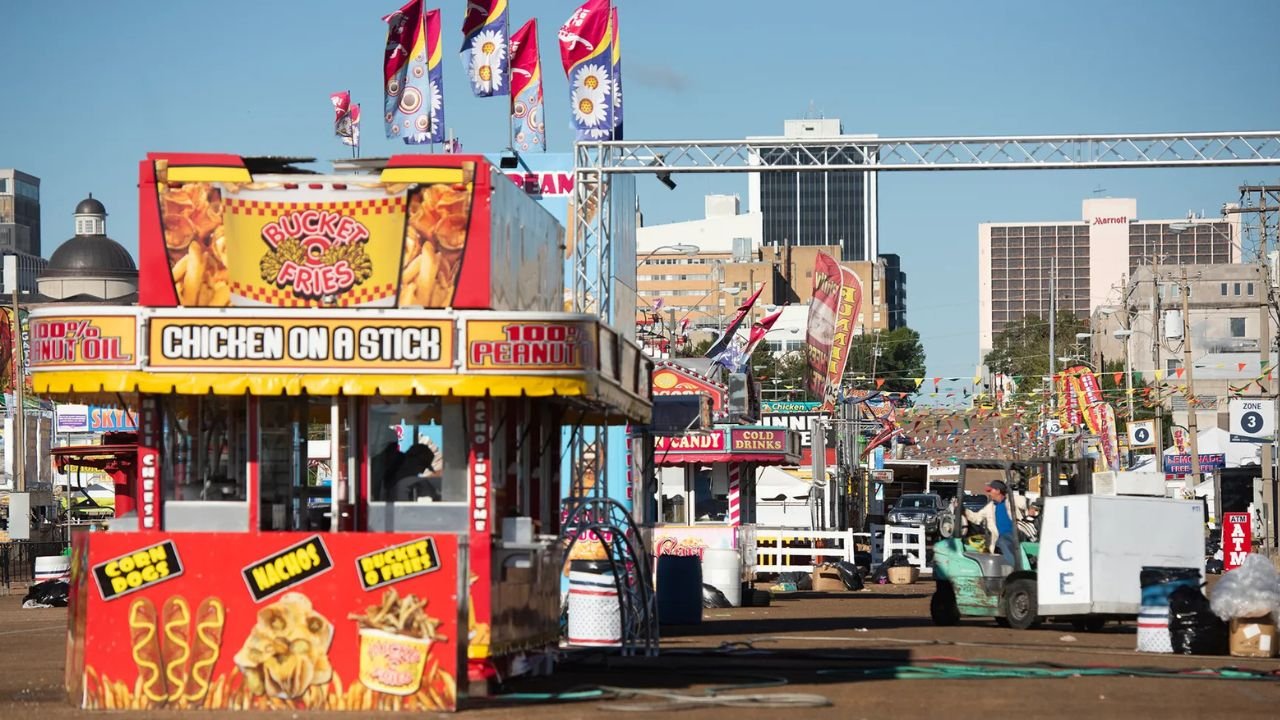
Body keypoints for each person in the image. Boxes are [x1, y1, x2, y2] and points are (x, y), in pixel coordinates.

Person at [964, 479, 1029, 567]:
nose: (989, 493)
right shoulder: (990, 507)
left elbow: (1028, 503)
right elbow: (976, 518)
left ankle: (1016, 570)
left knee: (1003, 541)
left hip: (1016, 533)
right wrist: (964, 510)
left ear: (998, 491)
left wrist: (1033, 507)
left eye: (990, 491)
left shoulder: (1013, 500)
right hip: (1000, 537)